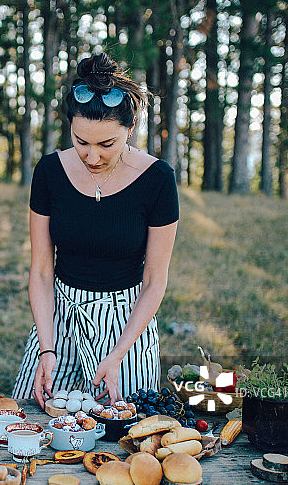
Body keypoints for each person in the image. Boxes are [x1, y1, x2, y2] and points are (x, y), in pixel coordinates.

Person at [12, 53, 179, 408]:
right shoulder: (49, 173)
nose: (91, 156)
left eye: (107, 144)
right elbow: (41, 271)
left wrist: (119, 354)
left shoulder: (158, 179)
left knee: (126, 434)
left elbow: (154, 280)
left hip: (126, 325)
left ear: (130, 130)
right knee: (32, 423)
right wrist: (46, 348)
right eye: (81, 141)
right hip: (58, 319)